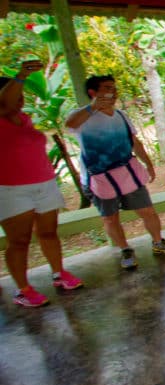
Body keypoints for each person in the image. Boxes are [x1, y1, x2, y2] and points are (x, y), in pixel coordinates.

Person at [65, 75, 165, 269]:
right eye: (108, 88)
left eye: (114, 88)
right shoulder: (82, 117)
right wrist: (92, 107)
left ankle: (158, 241)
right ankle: (125, 249)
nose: (114, 92)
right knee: (110, 217)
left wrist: (148, 163)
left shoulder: (120, 115)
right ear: (93, 92)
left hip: (128, 173)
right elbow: (69, 124)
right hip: (99, 177)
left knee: (147, 211)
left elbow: (135, 142)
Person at [0, 64, 83, 307]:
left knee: (48, 233)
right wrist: (22, 76)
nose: (20, 99)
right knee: (19, 240)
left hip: (43, 184)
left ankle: (59, 274)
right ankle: (23, 288)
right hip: (11, 190)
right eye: (14, 94)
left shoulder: (24, 119)